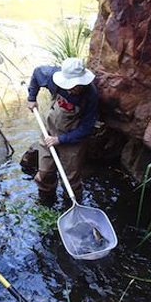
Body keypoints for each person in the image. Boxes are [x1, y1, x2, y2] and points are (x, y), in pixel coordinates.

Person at [27, 57, 98, 204]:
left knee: (71, 178)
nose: (73, 89)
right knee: (45, 172)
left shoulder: (91, 95)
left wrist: (60, 140)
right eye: (70, 85)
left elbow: (86, 128)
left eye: (77, 85)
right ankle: (46, 200)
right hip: (50, 132)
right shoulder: (51, 76)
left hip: (74, 140)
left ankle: (71, 203)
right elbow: (36, 73)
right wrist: (32, 97)